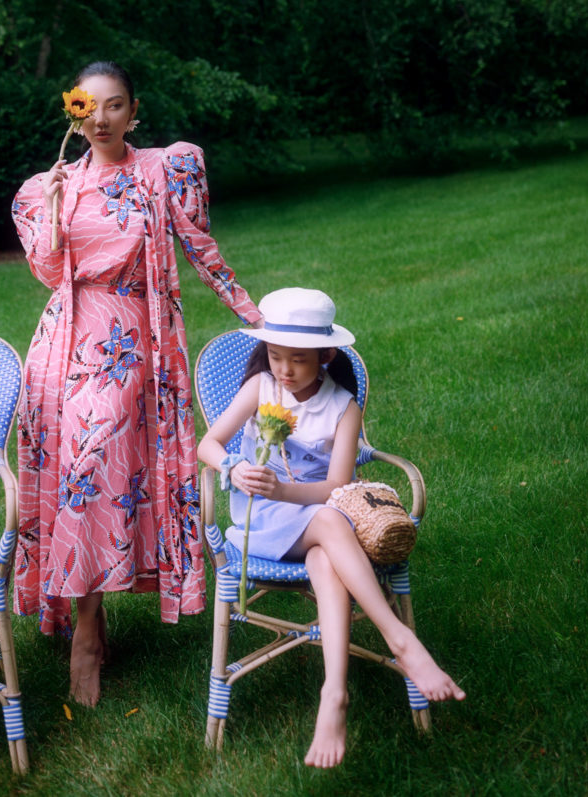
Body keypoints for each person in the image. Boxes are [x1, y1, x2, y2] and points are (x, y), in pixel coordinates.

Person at [12, 60, 262, 707]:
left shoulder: (162, 170)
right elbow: (46, 270)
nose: (100, 118)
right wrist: (54, 213)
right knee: (75, 475)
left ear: (134, 111)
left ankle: (88, 632)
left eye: (114, 105)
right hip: (63, 339)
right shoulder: (50, 185)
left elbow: (200, 246)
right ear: (72, 110)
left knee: (91, 468)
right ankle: (80, 611)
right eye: (86, 106)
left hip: (130, 342)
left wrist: (258, 318)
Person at [198, 287, 465, 769]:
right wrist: (233, 467)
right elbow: (208, 444)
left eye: (297, 360)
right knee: (329, 526)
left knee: (325, 550)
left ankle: (334, 693)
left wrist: (286, 491)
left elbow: (337, 485)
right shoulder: (261, 387)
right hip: (261, 521)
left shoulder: (343, 406)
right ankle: (401, 641)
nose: (284, 369)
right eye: (275, 356)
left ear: (326, 355)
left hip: (319, 516)